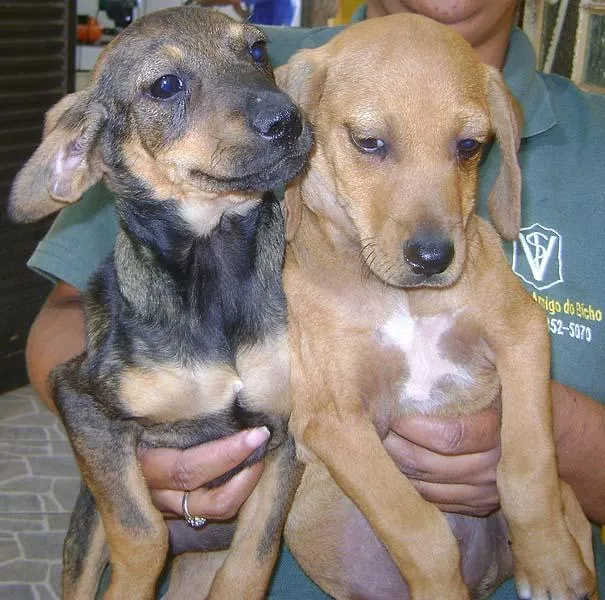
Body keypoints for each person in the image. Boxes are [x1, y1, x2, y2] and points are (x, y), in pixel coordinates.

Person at [24, 1, 605, 598]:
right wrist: (149, 447)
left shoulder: (593, 136)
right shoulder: (233, 67)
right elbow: (71, 326)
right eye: (370, 142)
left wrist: (554, 451)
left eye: (467, 148)